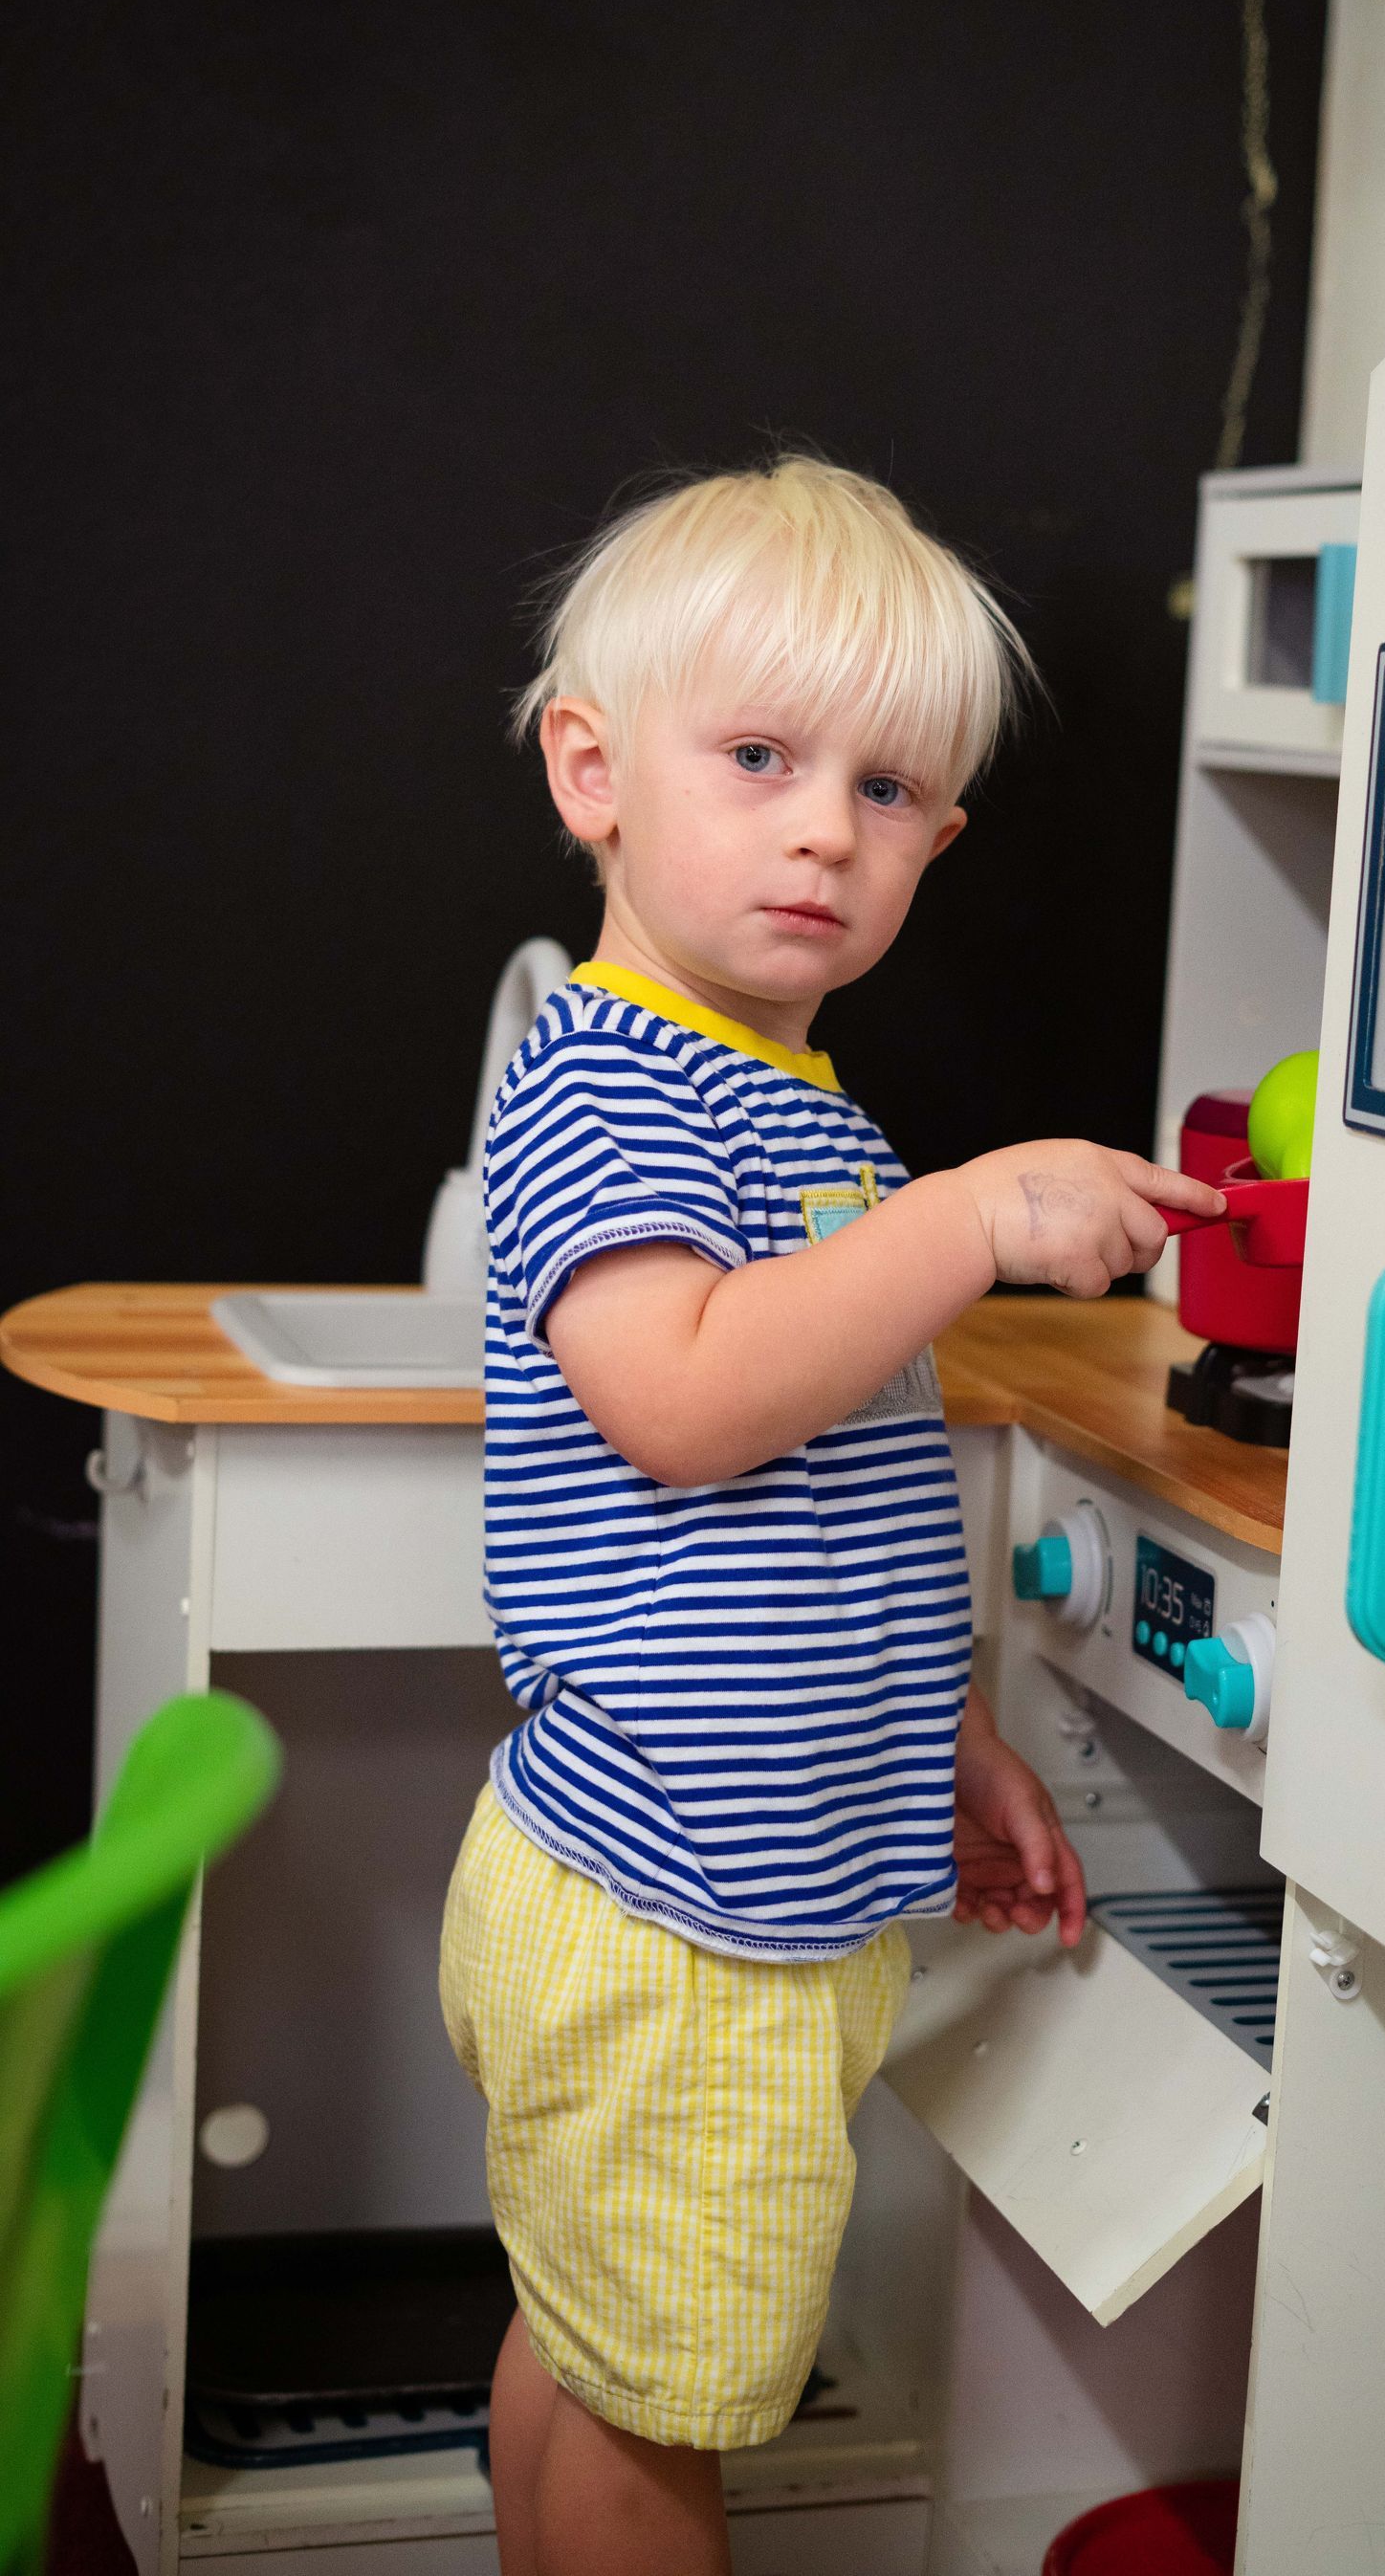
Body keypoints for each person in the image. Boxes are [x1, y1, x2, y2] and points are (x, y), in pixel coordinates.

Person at [439, 455, 1225, 2575]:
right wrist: (970, 1218)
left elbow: (834, 1493)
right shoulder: (617, 1077)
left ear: (939, 843)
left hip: (722, 1880)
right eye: (765, 756)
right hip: (672, 1917)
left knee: (598, 2353)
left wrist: (937, 1738)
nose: (825, 827)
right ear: (592, 772)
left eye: (890, 792)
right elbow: (685, 1406)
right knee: (651, 2429)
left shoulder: (792, 1102)